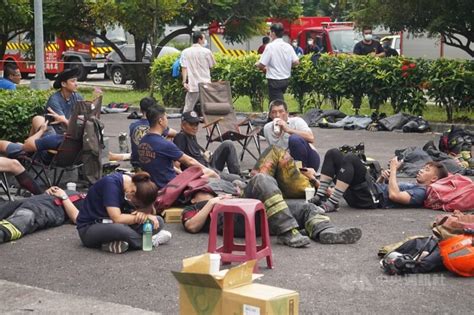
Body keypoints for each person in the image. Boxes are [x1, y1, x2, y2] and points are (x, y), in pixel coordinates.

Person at [181, 173, 362, 247]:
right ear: (192, 193)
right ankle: (286, 231)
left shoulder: (222, 186)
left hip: (258, 211)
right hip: (234, 219)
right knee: (261, 179)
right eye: (202, 187)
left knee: (306, 207)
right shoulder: (192, 207)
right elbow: (191, 226)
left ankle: (325, 232)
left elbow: (239, 182)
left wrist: (235, 187)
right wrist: (213, 202)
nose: (207, 186)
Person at [311, 148, 449, 213]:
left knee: (351, 158)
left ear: (434, 179)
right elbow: (380, 187)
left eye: (426, 170)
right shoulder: (414, 185)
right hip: (368, 194)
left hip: (370, 200)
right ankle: (320, 195)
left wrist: (394, 169)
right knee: (333, 153)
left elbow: (394, 195)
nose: (420, 170)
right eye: (423, 168)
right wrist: (383, 178)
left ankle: (332, 203)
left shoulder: (422, 192)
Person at [76, 172, 172, 254]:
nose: (135, 205)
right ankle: (149, 241)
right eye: (136, 204)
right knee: (120, 229)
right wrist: (138, 218)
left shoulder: (135, 185)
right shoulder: (111, 184)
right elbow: (117, 218)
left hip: (113, 223)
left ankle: (114, 244)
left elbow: (148, 212)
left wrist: (143, 215)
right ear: (133, 192)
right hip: (90, 228)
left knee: (158, 221)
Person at [138, 105, 219, 189]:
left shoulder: (142, 141)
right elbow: (189, 161)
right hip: (170, 188)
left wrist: (181, 174)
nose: (167, 120)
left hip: (152, 186)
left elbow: (163, 165)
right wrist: (211, 172)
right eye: (166, 117)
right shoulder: (164, 144)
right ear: (160, 121)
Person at [0, 186, 83, 243]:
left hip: (49, 210)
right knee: (6, 207)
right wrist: (50, 191)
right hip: (35, 200)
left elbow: (77, 218)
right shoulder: (83, 194)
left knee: (25, 217)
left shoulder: (95, 206)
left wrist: (64, 197)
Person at [173, 111, 240, 180]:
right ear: (183, 125)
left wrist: (205, 156)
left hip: (208, 166)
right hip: (202, 173)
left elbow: (195, 155)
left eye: (196, 124)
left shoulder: (191, 136)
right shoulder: (180, 137)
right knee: (237, 178)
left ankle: (236, 177)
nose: (195, 127)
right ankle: (238, 180)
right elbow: (176, 164)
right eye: (191, 124)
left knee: (228, 144)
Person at [263, 99, 320, 171]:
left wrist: (288, 130)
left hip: (309, 160)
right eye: (274, 112)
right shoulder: (267, 128)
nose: (277, 115)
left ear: (287, 113)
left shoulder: (297, 121)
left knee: (294, 139)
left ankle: (301, 170)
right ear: (270, 115)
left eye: (281, 111)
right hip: (286, 162)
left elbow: (311, 138)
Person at [30, 68, 84, 136]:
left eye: (76, 81)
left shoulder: (77, 97)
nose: (76, 84)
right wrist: (64, 120)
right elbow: (64, 124)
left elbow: (84, 113)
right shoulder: (54, 100)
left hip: (67, 132)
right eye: (73, 81)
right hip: (54, 133)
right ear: (63, 84)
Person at [256, 23, 299, 103]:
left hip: (274, 80)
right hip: (285, 79)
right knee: (274, 102)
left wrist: (256, 64)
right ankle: (272, 115)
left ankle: (281, 115)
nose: (270, 34)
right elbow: (296, 62)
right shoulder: (288, 46)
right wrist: (287, 65)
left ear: (273, 33)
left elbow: (262, 64)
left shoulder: (270, 46)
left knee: (277, 104)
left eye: (270, 32)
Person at [129, 97, 176, 167]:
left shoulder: (133, 125)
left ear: (141, 110)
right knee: (170, 137)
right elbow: (175, 133)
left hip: (135, 161)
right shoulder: (155, 124)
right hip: (151, 159)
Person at [181, 31, 216, 112]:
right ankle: (209, 123)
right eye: (204, 38)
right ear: (200, 39)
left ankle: (185, 122)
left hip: (193, 85)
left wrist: (184, 82)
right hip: (206, 84)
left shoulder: (185, 52)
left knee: (188, 108)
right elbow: (212, 65)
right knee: (208, 109)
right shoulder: (207, 52)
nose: (204, 40)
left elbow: (184, 67)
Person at [353, 27, 385, 114]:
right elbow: (355, 56)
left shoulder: (376, 44)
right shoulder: (359, 45)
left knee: (374, 92)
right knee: (358, 93)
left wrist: (376, 56)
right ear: (363, 34)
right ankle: (356, 111)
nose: (368, 35)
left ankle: (375, 111)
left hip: (374, 73)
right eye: (366, 33)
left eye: (369, 33)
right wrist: (367, 57)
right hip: (362, 73)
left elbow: (383, 53)